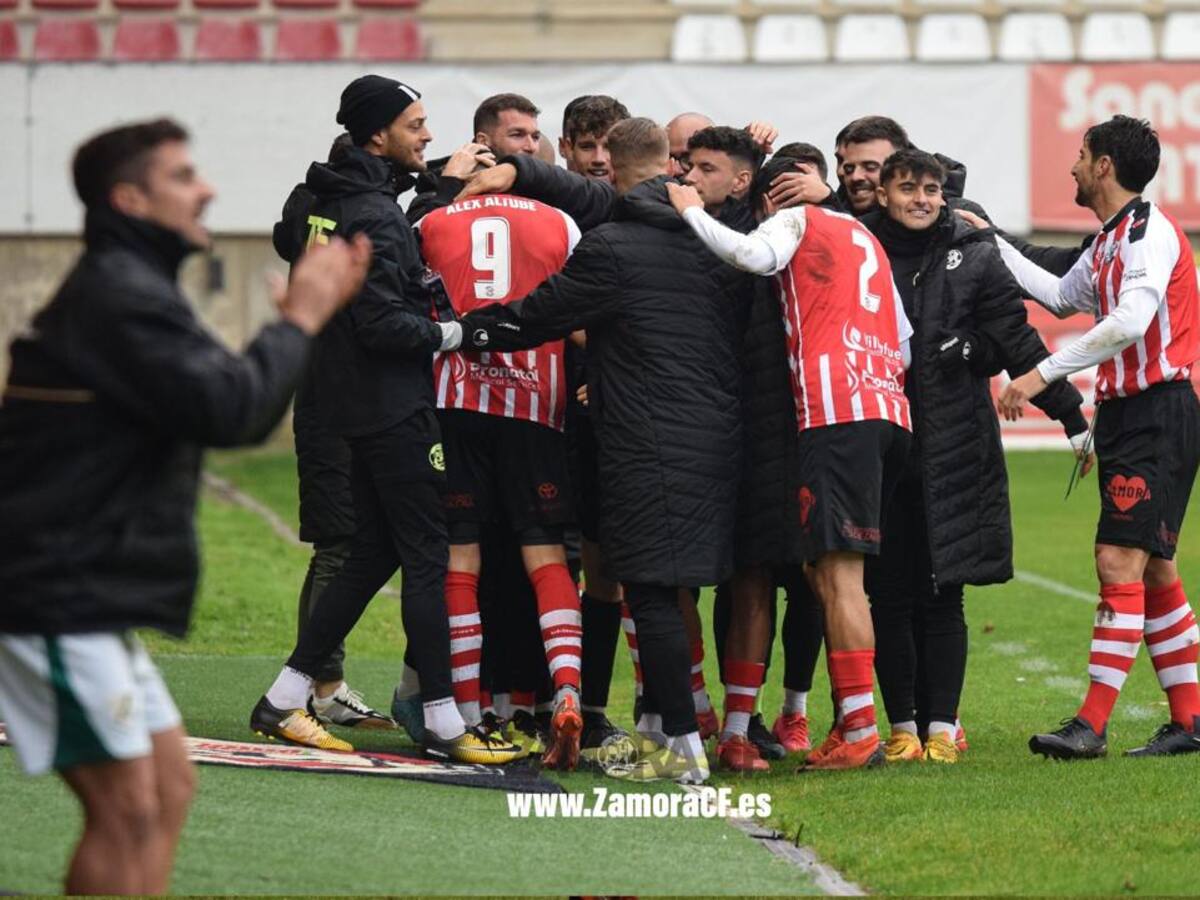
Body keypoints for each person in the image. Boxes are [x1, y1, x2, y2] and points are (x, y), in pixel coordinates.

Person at [0, 118, 368, 894]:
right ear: (130, 198)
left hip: (82, 594)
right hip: (51, 592)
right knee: (129, 809)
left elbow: (222, 390)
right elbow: (231, 408)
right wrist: (300, 317)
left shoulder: (131, 286)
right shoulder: (119, 295)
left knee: (168, 789)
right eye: (182, 175)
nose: (206, 188)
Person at [458, 117, 750, 783]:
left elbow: (536, 315)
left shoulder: (612, 246)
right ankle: (682, 731)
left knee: (647, 591)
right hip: (717, 435)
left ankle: (682, 748)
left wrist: (458, 331)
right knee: (679, 590)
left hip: (645, 438)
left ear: (611, 169)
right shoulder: (716, 243)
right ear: (672, 167)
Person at [248, 75, 520, 765]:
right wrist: (466, 334)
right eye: (416, 124)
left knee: (371, 552)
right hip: (390, 405)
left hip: (341, 400)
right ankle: (442, 722)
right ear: (379, 133)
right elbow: (384, 325)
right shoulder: (373, 212)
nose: (428, 135)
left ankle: (283, 700)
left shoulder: (324, 198)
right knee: (429, 557)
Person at [667, 169, 915, 772]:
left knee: (838, 578)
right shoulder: (866, 238)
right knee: (829, 575)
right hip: (885, 407)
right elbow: (905, 341)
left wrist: (690, 211)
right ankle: (851, 727)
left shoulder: (796, 220)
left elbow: (752, 254)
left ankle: (859, 730)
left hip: (835, 414)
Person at [977, 115, 1200, 759]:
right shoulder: (1108, 240)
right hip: (1138, 416)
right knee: (1155, 567)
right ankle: (1189, 721)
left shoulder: (1147, 233)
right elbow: (1054, 294)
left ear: (1104, 166)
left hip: (1157, 413)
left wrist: (1038, 374)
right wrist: (990, 240)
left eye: (1080, 155)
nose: (1072, 166)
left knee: (1116, 561)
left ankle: (1092, 725)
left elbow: (1131, 320)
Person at [862, 149, 1088, 764]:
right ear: (883, 193)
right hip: (877, 446)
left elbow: (1016, 341)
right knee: (887, 593)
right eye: (908, 188)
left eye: (931, 189)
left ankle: (941, 730)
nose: (922, 199)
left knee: (944, 593)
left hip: (953, 445)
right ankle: (902, 728)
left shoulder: (975, 252)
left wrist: (1071, 417)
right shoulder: (860, 246)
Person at [415, 188, 607, 769]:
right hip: (535, 406)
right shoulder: (561, 222)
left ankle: (469, 715)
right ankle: (567, 689)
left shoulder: (432, 220)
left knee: (461, 557)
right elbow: (580, 314)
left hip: (455, 401)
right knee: (548, 557)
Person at [272, 132, 393, 731]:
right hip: (335, 396)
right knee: (340, 543)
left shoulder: (313, 203)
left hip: (343, 394)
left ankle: (320, 685)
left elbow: (285, 232)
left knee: (352, 542)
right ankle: (315, 689)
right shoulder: (360, 213)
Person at [407, 93, 541, 223]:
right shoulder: (436, 188)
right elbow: (420, 237)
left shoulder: (541, 185)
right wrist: (449, 186)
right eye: (517, 135)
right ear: (482, 140)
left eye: (535, 137)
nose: (531, 147)